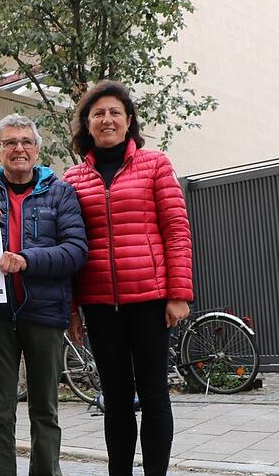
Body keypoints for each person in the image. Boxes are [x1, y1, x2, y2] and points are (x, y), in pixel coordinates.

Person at [63, 80, 193, 476]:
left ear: (128, 120)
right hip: (100, 304)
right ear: (87, 123)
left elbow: (176, 229)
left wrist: (178, 293)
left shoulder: (155, 164)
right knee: (115, 398)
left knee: (154, 394)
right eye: (98, 113)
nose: (107, 119)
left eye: (114, 112)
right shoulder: (72, 179)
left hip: (150, 300)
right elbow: (69, 245)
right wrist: (72, 308)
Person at [0, 114, 88, 476]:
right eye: (9, 143)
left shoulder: (61, 192)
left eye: (26, 142)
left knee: (45, 411)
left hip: (45, 315)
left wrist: (26, 260)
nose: (18, 148)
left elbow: (76, 250)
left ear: (37, 150)